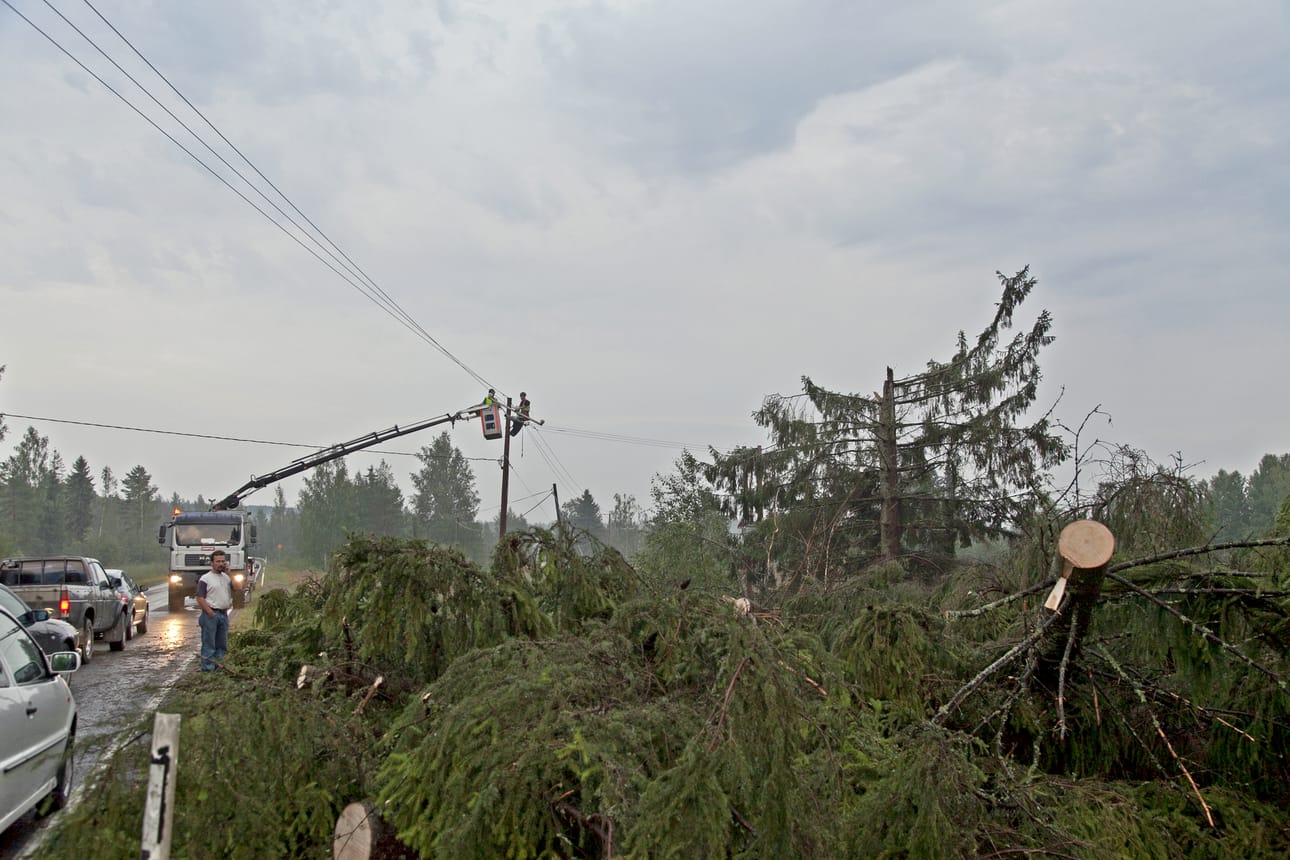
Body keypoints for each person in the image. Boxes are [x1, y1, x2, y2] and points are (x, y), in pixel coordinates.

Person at [196, 549, 233, 672]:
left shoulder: (226, 578)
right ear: (212, 563)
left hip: (223, 614)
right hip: (210, 615)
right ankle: (208, 669)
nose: (221, 564)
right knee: (209, 644)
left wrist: (230, 573)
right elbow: (200, 597)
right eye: (218, 561)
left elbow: (238, 588)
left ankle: (219, 667)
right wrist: (209, 612)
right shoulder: (205, 579)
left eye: (223, 561)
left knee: (222, 644)